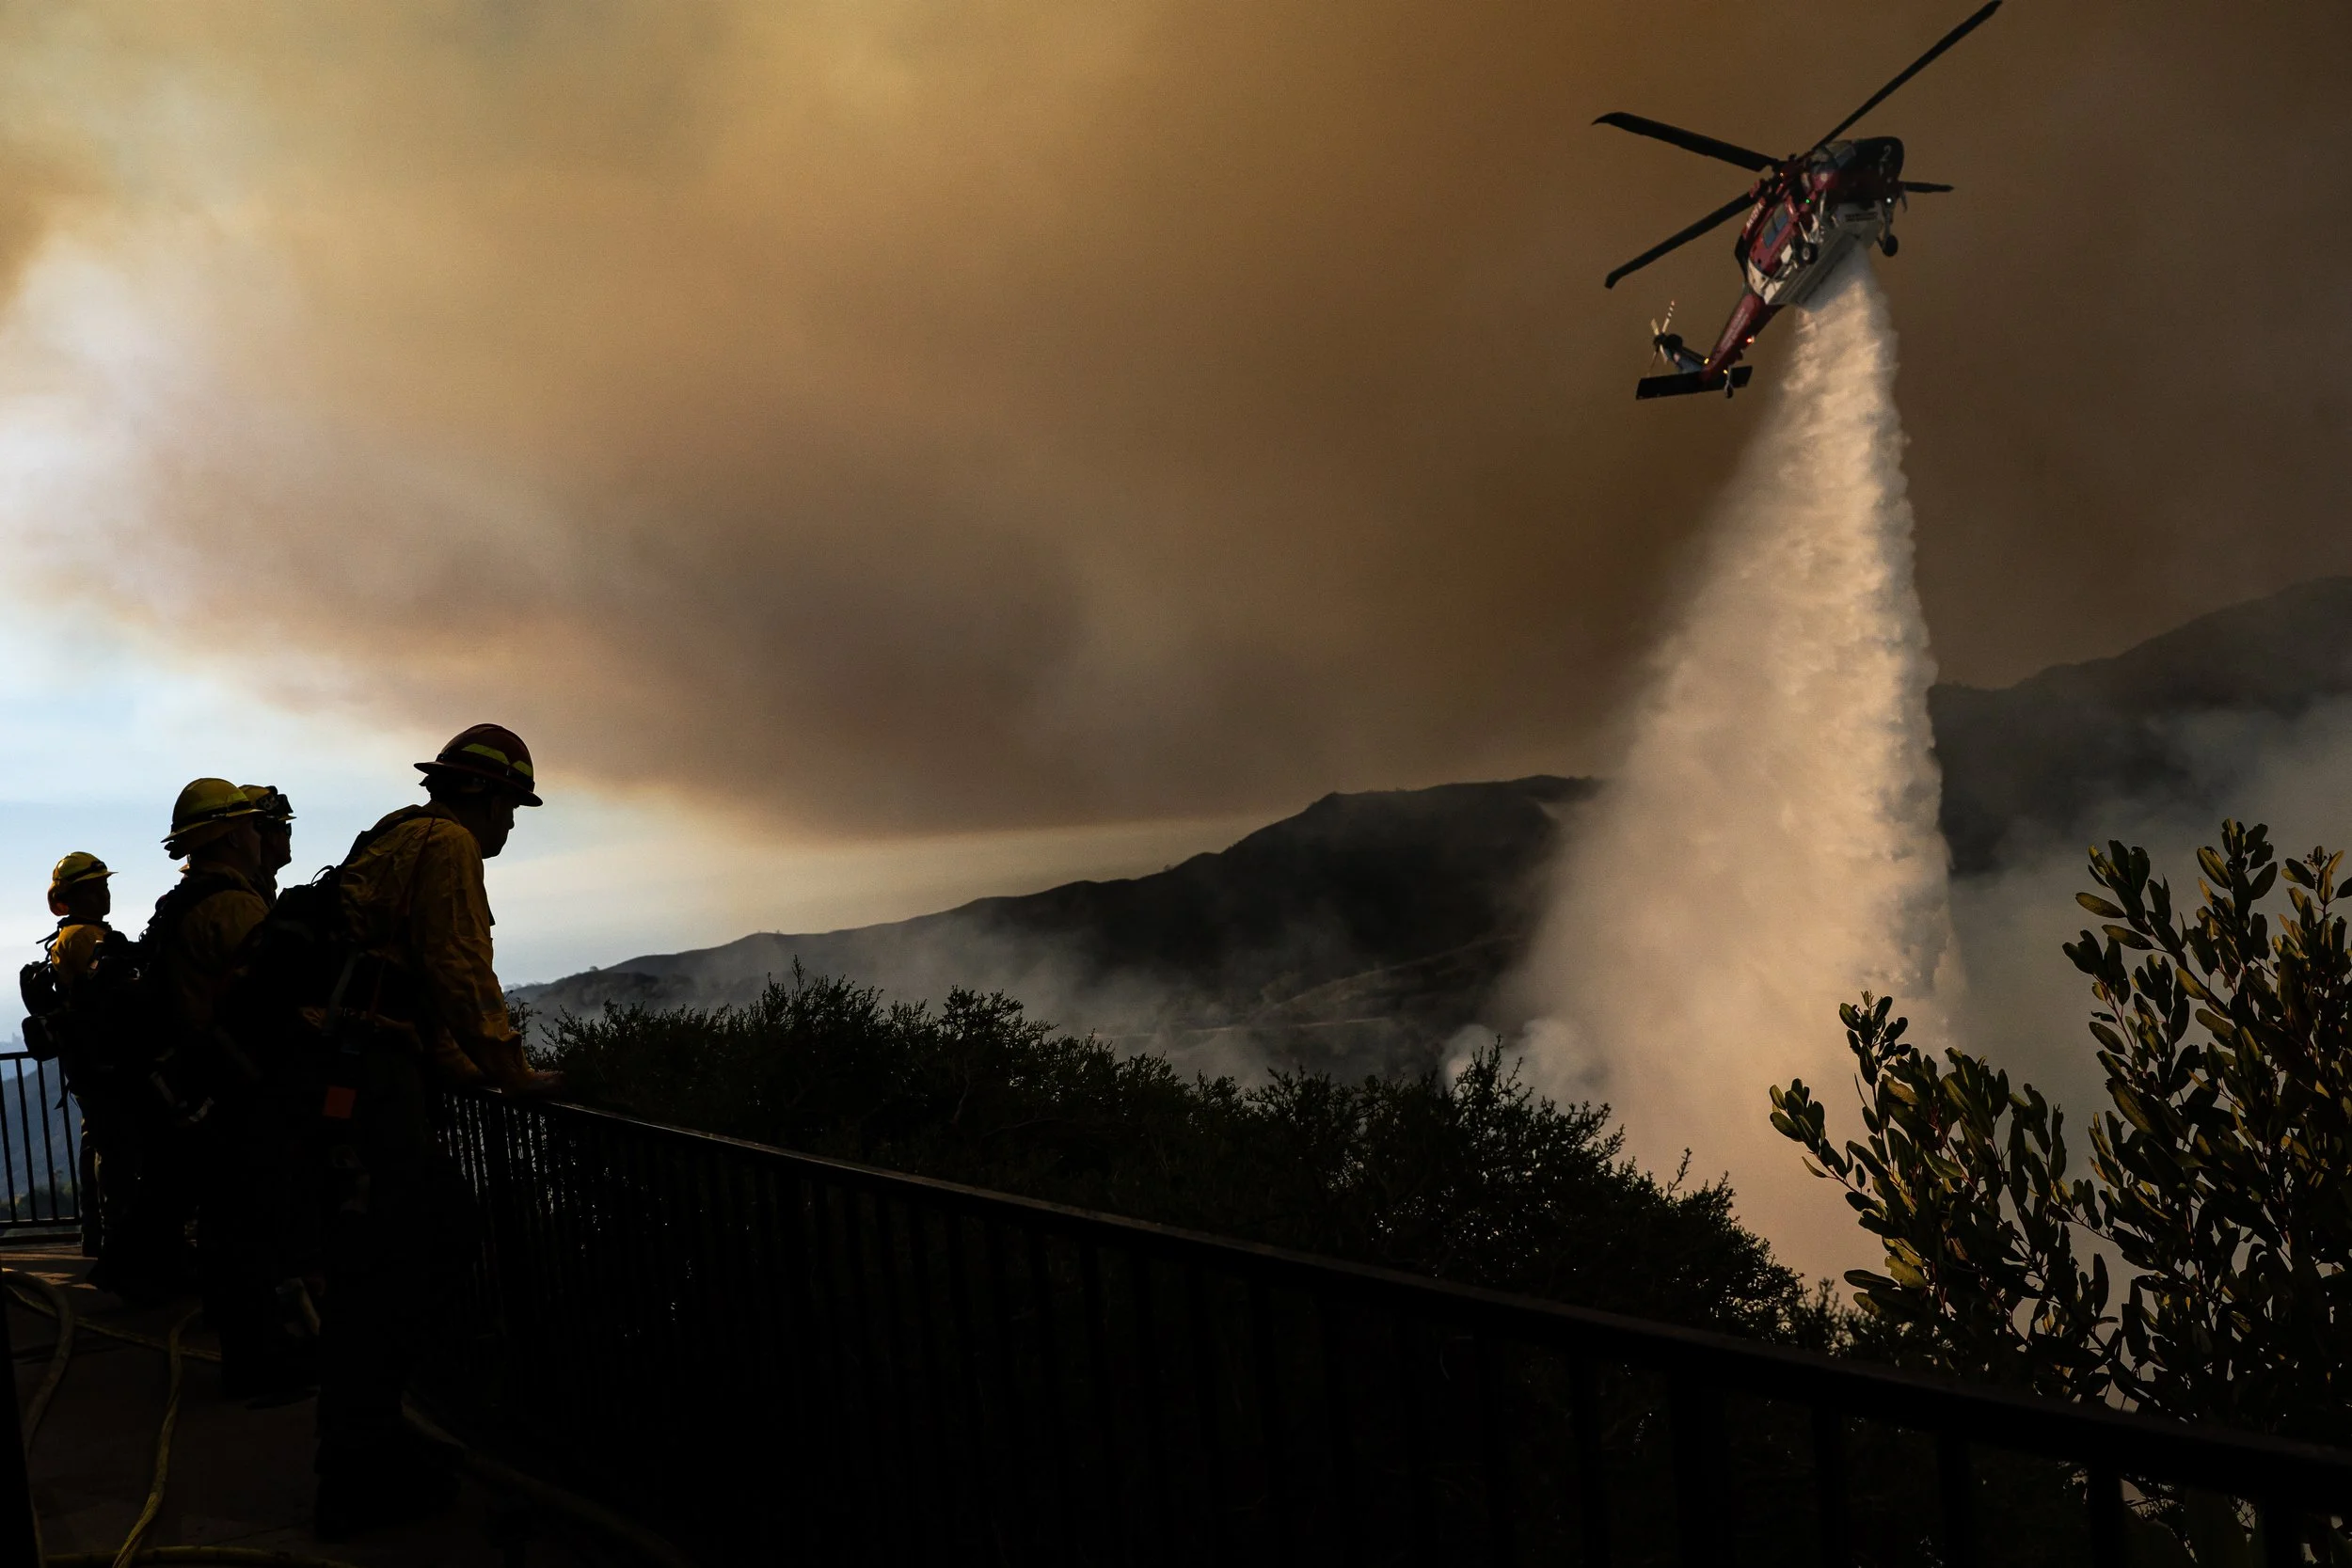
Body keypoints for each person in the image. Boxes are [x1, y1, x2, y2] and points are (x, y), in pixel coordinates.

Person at [313, 723, 560, 1539]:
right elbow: (457, 965)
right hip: (369, 1077)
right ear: (483, 795)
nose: (512, 826)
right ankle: (360, 1472)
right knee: (410, 1249)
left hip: (354, 1067)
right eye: (512, 807)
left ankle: (369, 1448)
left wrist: (456, 1064)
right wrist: (511, 1071)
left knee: (388, 1257)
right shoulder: (446, 844)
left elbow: (408, 971)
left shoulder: (397, 837)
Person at [149, 778, 308, 1399]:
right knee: (256, 1232)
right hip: (240, 1092)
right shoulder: (233, 907)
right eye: (249, 824)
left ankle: (254, 1354)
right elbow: (273, 996)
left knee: (231, 1228)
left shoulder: (185, 901)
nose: (258, 832)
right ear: (230, 833)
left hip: (206, 1088)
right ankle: (262, 1368)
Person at [39, 854, 133, 1285]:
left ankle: (97, 1232)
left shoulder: (71, 936)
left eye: (104, 885)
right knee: (111, 1145)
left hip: (89, 1056)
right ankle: (113, 1236)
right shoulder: (85, 938)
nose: (104, 893)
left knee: (96, 1140)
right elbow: (112, 988)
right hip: (103, 1057)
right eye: (95, 888)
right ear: (75, 897)